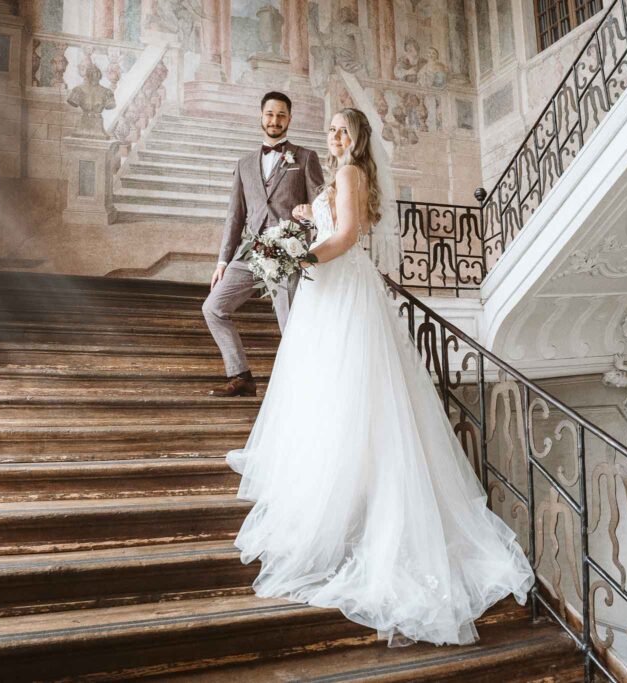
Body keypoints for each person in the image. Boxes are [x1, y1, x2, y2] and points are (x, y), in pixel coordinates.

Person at [225, 107, 534, 647]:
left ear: (359, 137)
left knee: (347, 392)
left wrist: (299, 257)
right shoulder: (343, 174)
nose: (335, 136)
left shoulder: (348, 171)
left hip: (338, 286)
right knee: (330, 394)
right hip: (334, 290)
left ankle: (349, 504)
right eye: (331, 130)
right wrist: (304, 216)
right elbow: (336, 222)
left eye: (344, 130)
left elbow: (344, 238)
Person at [202, 92, 324, 397]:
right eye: (270, 114)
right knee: (213, 307)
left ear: (289, 119)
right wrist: (222, 262)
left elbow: (320, 207)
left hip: (289, 254)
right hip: (251, 252)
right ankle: (241, 375)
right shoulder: (244, 164)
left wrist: (311, 243)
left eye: (281, 115)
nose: (275, 120)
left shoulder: (305, 157)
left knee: (291, 324)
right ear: (261, 117)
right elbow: (234, 216)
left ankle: (304, 388)